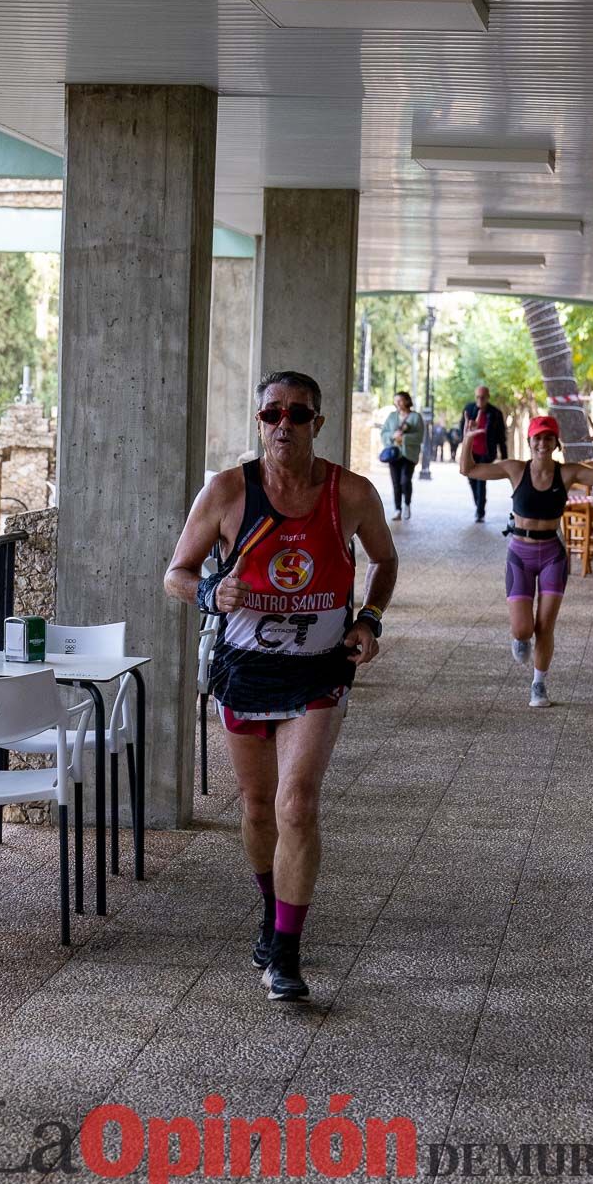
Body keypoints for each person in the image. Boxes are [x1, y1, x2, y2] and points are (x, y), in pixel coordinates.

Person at [165, 370, 398, 1001]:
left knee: (298, 801)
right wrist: (213, 591)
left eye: (298, 413)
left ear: (318, 423)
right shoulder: (225, 492)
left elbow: (384, 559)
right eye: (273, 413)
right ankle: (271, 910)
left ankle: (287, 957)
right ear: (260, 420)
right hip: (244, 668)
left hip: (319, 669)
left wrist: (369, 618)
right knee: (258, 806)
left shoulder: (350, 493)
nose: (285, 424)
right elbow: (176, 576)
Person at [460, 412, 593, 708]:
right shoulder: (515, 469)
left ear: (556, 442)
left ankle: (539, 684)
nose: (543, 443)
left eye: (549, 437)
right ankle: (520, 638)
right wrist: (468, 440)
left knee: (545, 626)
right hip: (519, 555)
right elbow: (468, 469)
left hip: (552, 555)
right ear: (530, 440)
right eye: (538, 437)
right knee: (523, 628)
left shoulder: (568, 472)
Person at [459, 385, 508, 522]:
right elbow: (461, 429)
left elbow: (501, 436)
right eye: (478, 397)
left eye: (483, 397)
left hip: (486, 452)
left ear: (488, 397)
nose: (480, 399)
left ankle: (480, 511)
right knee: (471, 479)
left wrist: (504, 457)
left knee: (481, 480)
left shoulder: (496, 413)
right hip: (471, 452)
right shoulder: (469, 410)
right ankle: (478, 505)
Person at [380, 391, 424, 521]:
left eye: (400, 400)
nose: (397, 403)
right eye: (395, 401)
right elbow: (384, 433)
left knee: (405, 481)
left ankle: (407, 505)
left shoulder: (416, 417)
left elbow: (419, 437)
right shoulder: (391, 416)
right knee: (395, 483)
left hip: (408, 455)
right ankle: (397, 510)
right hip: (393, 454)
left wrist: (404, 438)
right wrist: (392, 436)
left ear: (406, 401)